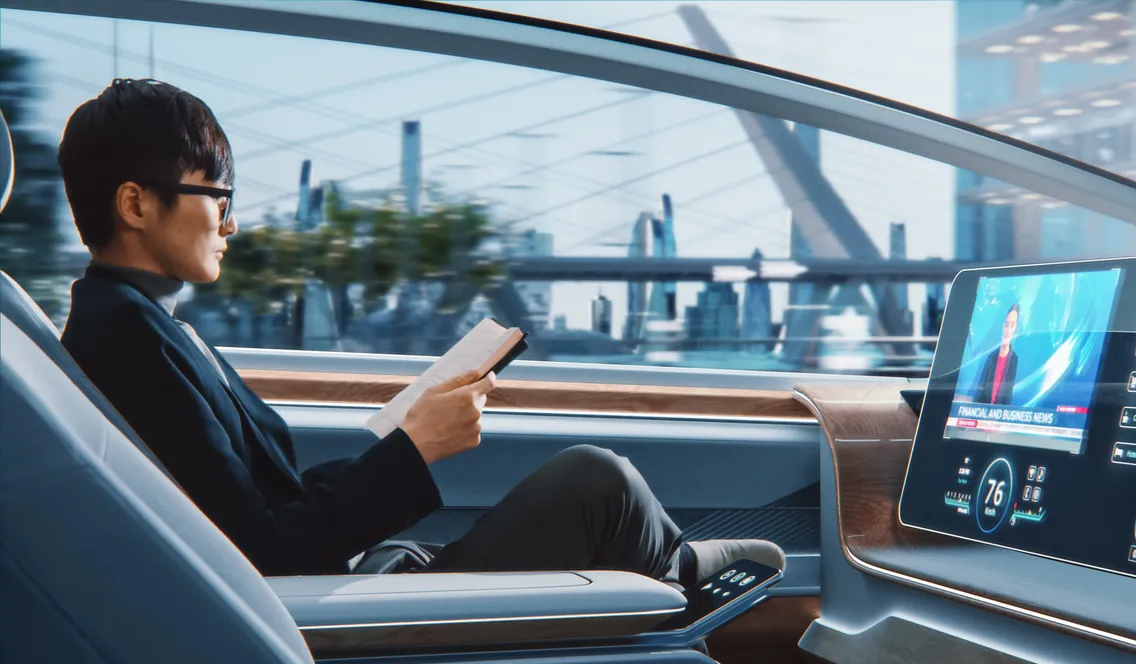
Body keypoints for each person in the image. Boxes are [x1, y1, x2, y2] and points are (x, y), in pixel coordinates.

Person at [57, 79, 784, 586]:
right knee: (601, 483)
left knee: (596, 486)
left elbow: (257, 505)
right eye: (217, 195)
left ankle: (672, 564)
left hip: (338, 576)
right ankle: (679, 571)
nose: (232, 221)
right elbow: (259, 551)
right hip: (314, 608)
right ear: (137, 204)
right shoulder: (128, 343)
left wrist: (402, 441)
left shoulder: (145, 326)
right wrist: (415, 449)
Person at [970, 303, 1020, 406]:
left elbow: (1009, 396)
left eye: (1012, 325)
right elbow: (980, 390)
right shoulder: (991, 357)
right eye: (1006, 324)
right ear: (1002, 326)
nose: (1008, 330)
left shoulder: (1015, 360)